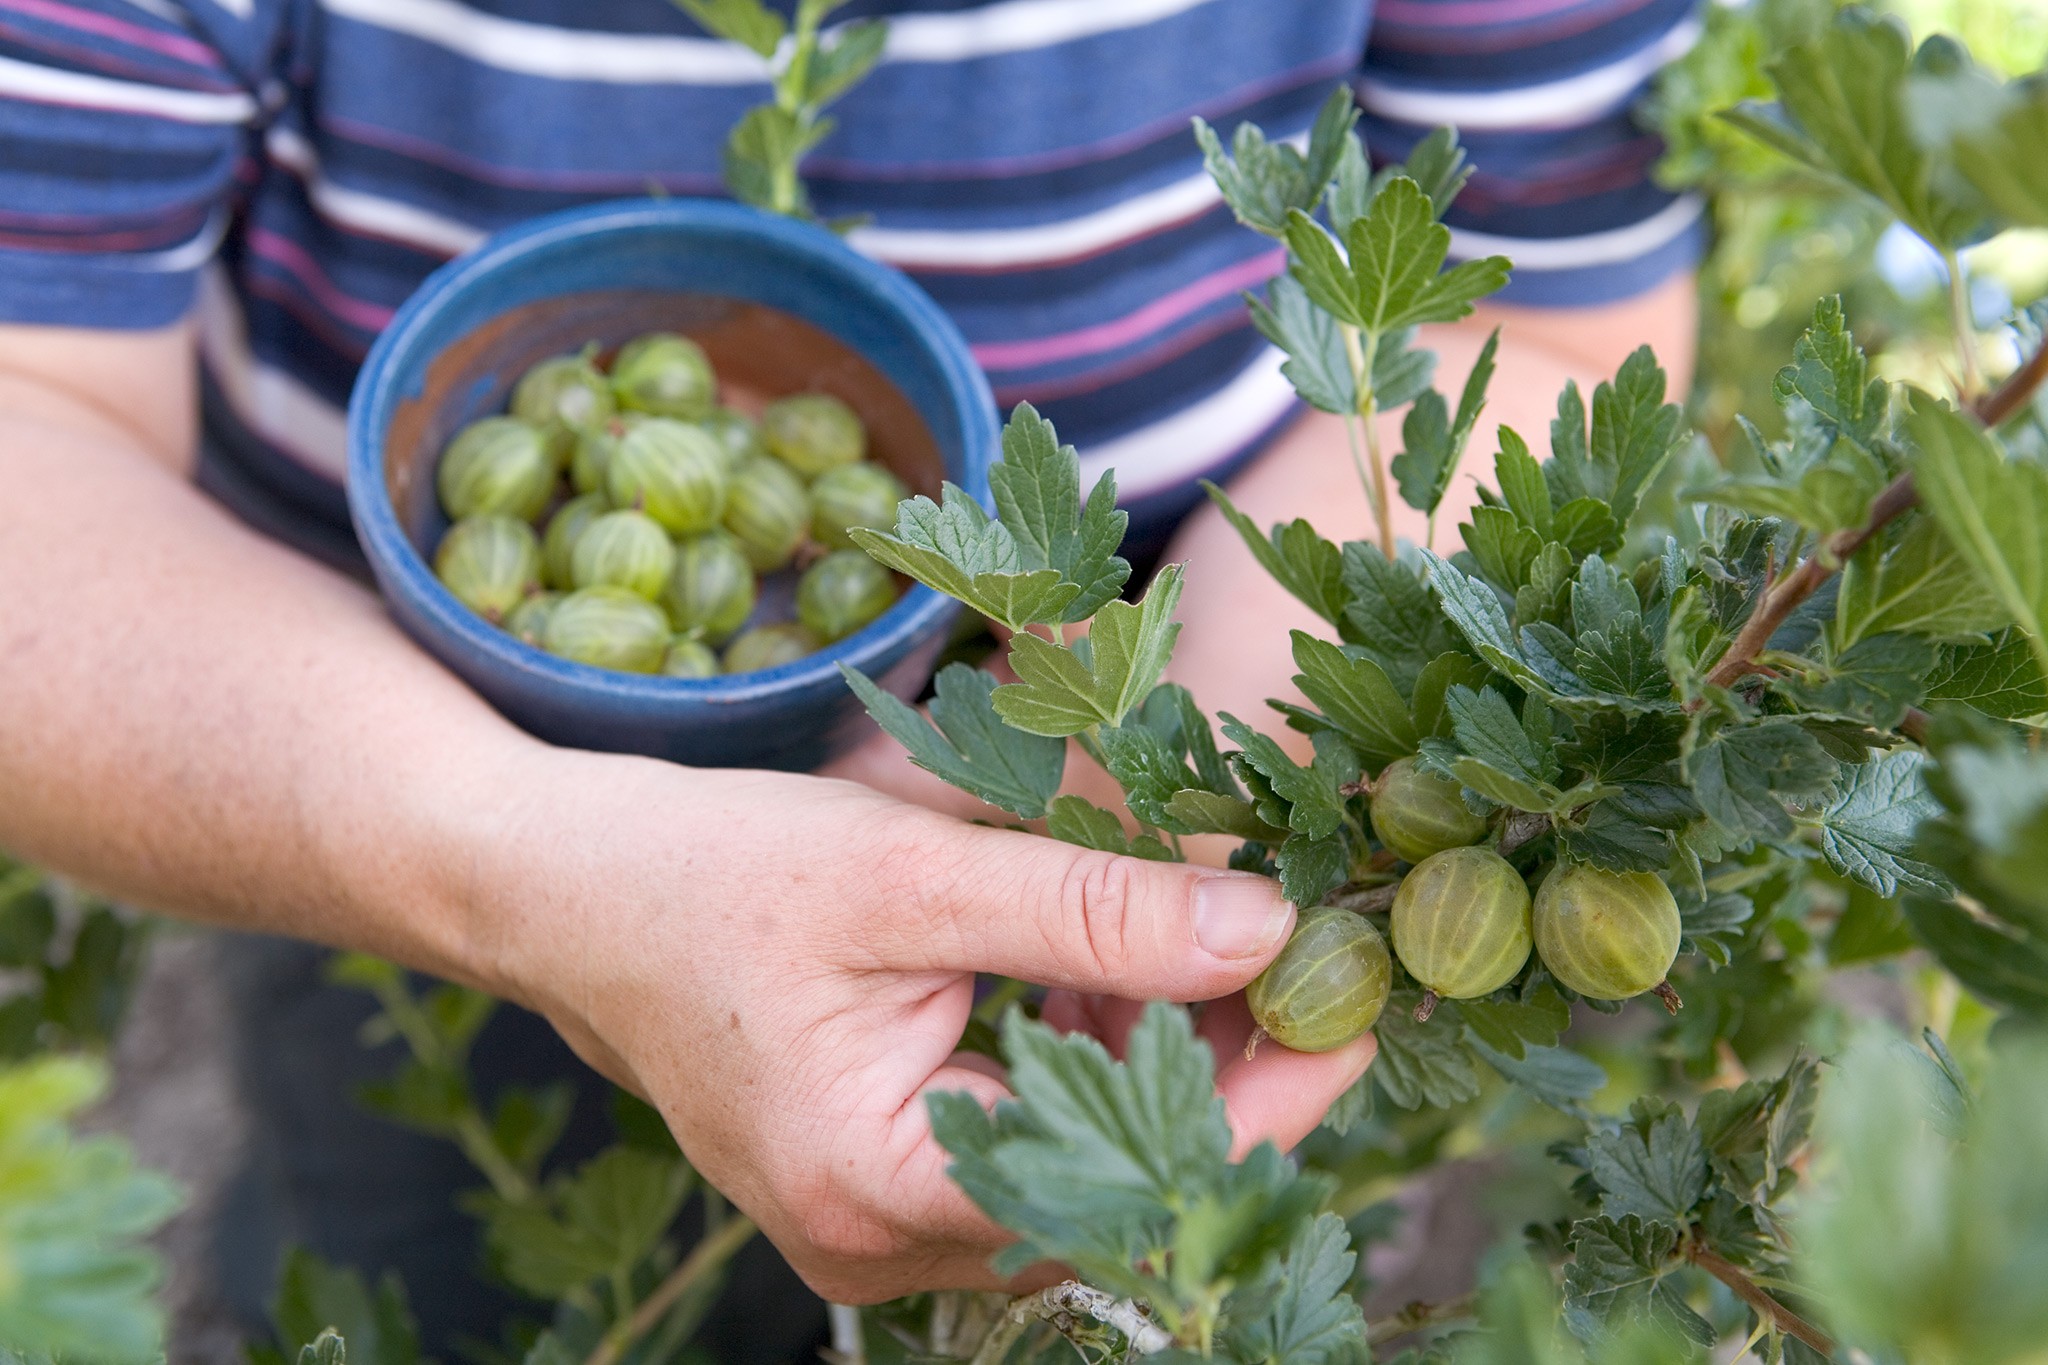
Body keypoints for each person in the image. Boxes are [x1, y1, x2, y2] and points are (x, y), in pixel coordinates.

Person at [0, 0, 1699, 1355]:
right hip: (383, 806)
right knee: (438, 1245)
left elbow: (1535, 313)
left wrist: (1186, 757)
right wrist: (493, 852)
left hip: (1145, 770)